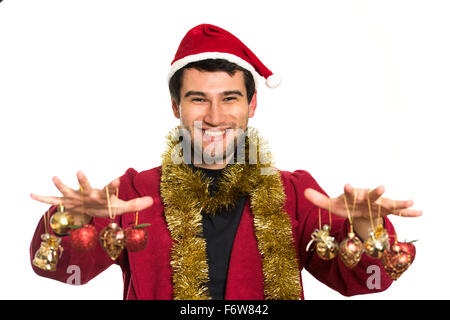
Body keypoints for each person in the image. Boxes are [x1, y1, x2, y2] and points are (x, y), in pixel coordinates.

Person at [30, 24, 422, 300]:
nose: (215, 117)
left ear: (252, 103)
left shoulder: (297, 195)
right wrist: (72, 221)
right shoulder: (134, 194)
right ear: (175, 106)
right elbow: (60, 269)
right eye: (198, 99)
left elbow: (366, 282)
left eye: (230, 98)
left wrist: (368, 229)